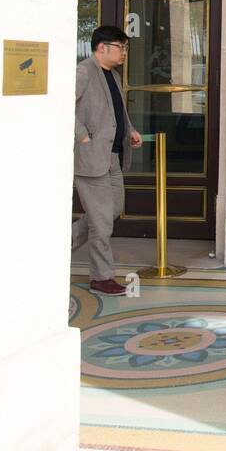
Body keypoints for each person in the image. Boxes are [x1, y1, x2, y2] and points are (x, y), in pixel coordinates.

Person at [72, 25, 143, 295]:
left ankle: (61, 243)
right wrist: (82, 136)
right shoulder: (84, 71)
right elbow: (62, 103)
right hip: (91, 158)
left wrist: (131, 130)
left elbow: (116, 113)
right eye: (121, 47)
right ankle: (101, 277)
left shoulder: (112, 76)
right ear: (102, 48)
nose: (124, 52)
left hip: (113, 157)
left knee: (110, 211)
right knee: (101, 222)